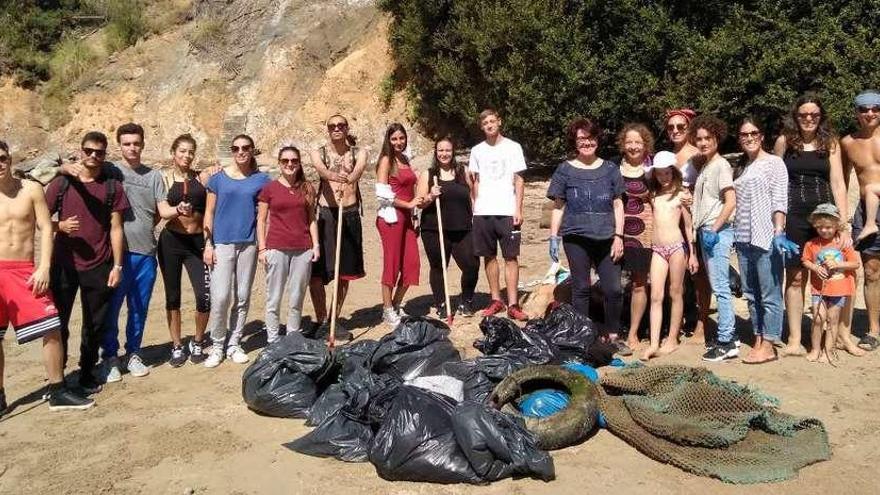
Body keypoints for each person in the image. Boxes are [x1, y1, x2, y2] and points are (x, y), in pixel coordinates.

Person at [0, 140, 93, 415]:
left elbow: (45, 227)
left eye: (3, 157)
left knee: (51, 327)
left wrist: (43, 267)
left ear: (10, 158)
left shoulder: (30, 189)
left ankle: (57, 390)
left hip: (23, 270)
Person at [47, 131, 128, 393]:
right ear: (80, 151)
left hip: (100, 263)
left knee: (94, 324)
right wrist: (59, 225)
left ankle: (86, 372)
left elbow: (116, 228)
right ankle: (57, 377)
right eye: (88, 151)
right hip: (63, 264)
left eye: (99, 152)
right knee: (58, 323)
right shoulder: (62, 183)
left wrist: (117, 265)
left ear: (105, 155)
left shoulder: (112, 186)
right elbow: (38, 220)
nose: (93, 156)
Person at [773, 94, 850, 356]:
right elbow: (776, 181)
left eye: (814, 115)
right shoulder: (784, 142)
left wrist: (843, 223)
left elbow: (838, 183)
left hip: (825, 219)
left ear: (821, 117)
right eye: (803, 115)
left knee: (830, 271)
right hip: (794, 216)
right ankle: (795, 339)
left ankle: (832, 334)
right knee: (795, 278)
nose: (808, 119)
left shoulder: (830, 143)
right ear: (796, 116)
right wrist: (778, 221)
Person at [548, 118, 626, 349]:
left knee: (613, 289)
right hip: (576, 237)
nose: (586, 142)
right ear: (575, 142)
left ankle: (613, 334)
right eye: (581, 138)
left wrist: (619, 236)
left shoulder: (611, 169)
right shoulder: (564, 170)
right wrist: (554, 237)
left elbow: (618, 204)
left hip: (607, 237)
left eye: (590, 138)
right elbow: (559, 205)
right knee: (580, 288)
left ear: (597, 140)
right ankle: (583, 335)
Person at [731, 118, 795, 364]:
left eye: (753, 133)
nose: (749, 137)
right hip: (743, 239)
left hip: (766, 237)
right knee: (750, 293)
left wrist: (779, 230)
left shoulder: (774, 163)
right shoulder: (741, 166)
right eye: (744, 134)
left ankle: (769, 342)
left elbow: (779, 199)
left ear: (762, 135)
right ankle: (757, 336)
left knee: (769, 294)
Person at [203, 134, 270, 368]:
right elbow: (208, 213)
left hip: (248, 243)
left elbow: (264, 215)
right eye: (236, 148)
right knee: (220, 297)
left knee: (242, 296)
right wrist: (208, 243)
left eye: (245, 148)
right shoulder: (218, 179)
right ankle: (218, 344)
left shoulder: (262, 180)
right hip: (221, 243)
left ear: (252, 150)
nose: (240, 151)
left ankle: (234, 343)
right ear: (231, 151)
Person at [309, 114, 367, 333]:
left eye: (340, 125)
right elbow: (321, 170)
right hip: (326, 214)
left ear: (346, 128)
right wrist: (336, 176)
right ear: (328, 129)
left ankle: (335, 317)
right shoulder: (319, 152)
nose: (336, 129)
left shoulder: (358, 152)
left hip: (350, 212)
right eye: (332, 126)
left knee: (345, 271)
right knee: (317, 270)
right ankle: (322, 319)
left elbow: (359, 169)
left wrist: (349, 178)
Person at [158, 134, 212, 366]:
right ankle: (177, 345)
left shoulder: (202, 177)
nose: (186, 156)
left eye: (190, 151)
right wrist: (177, 209)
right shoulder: (164, 178)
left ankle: (197, 341)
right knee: (173, 296)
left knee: (204, 295)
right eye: (182, 151)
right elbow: (161, 211)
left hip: (197, 242)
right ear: (173, 152)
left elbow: (212, 207)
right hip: (171, 242)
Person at [470, 109, 528, 321]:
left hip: (507, 209)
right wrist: (475, 207)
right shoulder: (477, 150)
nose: (489, 125)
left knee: (511, 256)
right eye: (485, 122)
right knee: (489, 256)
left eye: (492, 121)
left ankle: (513, 303)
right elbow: (474, 181)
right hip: (484, 211)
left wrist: (518, 208)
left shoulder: (513, 147)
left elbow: (519, 179)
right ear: (482, 127)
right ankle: (496, 299)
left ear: (499, 122)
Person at [257, 146, 319, 342]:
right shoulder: (270, 189)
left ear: (299, 163)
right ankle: (273, 339)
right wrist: (262, 248)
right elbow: (261, 220)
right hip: (276, 248)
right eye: (285, 161)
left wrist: (315, 245)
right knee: (273, 297)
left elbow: (311, 219)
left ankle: (293, 335)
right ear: (279, 163)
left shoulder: (307, 188)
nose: (290, 164)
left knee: (297, 296)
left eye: (293, 161)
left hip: (302, 249)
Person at [641, 151, 697, 361]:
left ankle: (672, 339)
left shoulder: (681, 194)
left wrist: (692, 254)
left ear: (673, 173)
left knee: (676, 292)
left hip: (676, 247)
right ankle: (654, 342)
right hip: (658, 249)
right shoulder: (653, 195)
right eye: (659, 174)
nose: (663, 177)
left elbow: (689, 227)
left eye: (667, 173)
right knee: (656, 295)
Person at [416, 138, 479, 319]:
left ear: (453, 152)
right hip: (434, 229)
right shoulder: (428, 174)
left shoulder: (463, 172)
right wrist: (430, 195)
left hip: (463, 228)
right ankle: (441, 303)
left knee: (471, 264)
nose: (444, 154)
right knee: (438, 266)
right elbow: (419, 203)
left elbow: (474, 196)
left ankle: (466, 300)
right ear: (436, 152)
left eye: (448, 150)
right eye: (441, 150)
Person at [690, 115, 736, 350]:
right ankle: (726, 335)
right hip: (705, 230)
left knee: (720, 287)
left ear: (717, 137)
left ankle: (726, 339)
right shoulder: (706, 165)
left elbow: (730, 201)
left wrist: (715, 229)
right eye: (699, 138)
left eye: (708, 138)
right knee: (717, 284)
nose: (703, 142)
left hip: (715, 231)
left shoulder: (721, 165)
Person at [844, 90, 880, 352]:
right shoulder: (847, 143)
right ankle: (873, 330)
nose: (870, 113)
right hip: (867, 213)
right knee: (871, 271)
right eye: (864, 109)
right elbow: (841, 181)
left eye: (875, 108)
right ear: (857, 113)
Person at [802, 204, 860, 363]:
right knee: (818, 318)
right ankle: (815, 349)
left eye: (828, 227)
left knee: (833, 320)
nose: (824, 230)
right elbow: (805, 260)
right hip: (818, 289)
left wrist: (838, 265)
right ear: (815, 225)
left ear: (836, 226)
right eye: (820, 227)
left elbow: (855, 264)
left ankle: (829, 350)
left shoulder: (844, 244)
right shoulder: (811, 244)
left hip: (839, 289)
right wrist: (814, 267)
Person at [375, 123, 420, 326]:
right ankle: (387, 310)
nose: (398, 142)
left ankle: (395, 304)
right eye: (394, 139)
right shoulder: (387, 160)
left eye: (401, 138)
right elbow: (382, 193)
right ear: (388, 140)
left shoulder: (405, 159)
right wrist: (408, 204)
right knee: (392, 263)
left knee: (411, 263)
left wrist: (415, 211)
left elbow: (413, 190)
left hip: (408, 218)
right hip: (391, 218)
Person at [617, 124, 655, 353]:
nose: (633, 146)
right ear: (623, 144)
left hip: (645, 233)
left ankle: (633, 332)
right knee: (612, 284)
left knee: (640, 284)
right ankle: (613, 329)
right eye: (629, 142)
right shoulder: (613, 166)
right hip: (617, 233)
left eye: (638, 142)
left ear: (645, 144)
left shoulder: (653, 169)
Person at [665, 108, 699, 187]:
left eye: (680, 127)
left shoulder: (698, 155)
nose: (675, 131)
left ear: (689, 129)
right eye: (670, 127)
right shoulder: (666, 155)